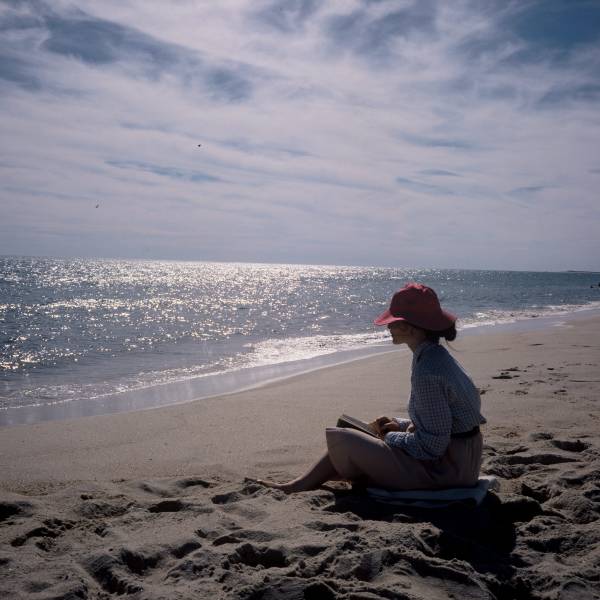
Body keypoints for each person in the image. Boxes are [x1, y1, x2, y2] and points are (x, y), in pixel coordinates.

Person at [258, 282, 486, 494]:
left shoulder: (428, 370)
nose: (388, 327)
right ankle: (300, 483)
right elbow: (446, 422)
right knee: (360, 434)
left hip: (447, 472)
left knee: (346, 439)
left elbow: (433, 446)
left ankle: (297, 486)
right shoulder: (436, 356)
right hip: (459, 461)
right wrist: (402, 424)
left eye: (393, 321)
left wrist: (390, 436)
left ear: (411, 328)